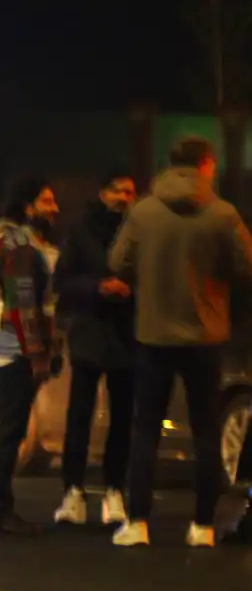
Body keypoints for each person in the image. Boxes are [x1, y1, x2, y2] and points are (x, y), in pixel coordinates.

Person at [109, 136, 252, 547]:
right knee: (206, 431)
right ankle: (203, 526)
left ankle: (137, 522)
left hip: (153, 333)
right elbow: (245, 267)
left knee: (145, 429)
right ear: (206, 164)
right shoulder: (223, 215)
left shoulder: (144, 212)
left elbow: (118, 261)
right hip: (206, 334)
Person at [51, 171, 137, 526]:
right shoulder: (81, 230)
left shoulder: (138, 229)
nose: (124, 197)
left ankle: (115, 491)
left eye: (130, 191)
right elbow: (63, 281)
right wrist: (97, 287)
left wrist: (130, 290)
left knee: (122, 419)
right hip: (89, 330)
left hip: (126, 333)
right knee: (79, 415)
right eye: (117, 190)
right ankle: (74, 491)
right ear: (102, 193)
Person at [0, 177, 61, 536]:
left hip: (2, 344)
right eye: (46, 201)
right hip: (14, 349)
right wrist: (37, 353)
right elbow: (24, 302)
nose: (54, 208)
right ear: (28, 206)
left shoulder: (4, 238)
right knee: (11, 432)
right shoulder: (19, 243)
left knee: (10, 432)